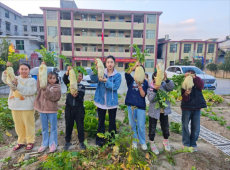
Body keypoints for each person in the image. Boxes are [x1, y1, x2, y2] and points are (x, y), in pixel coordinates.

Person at [1, 62, 37, 151]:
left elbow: (29, 92)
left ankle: (30, 141)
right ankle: (21, 141)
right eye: (22, 69)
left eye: (26, 69)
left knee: (29, 125)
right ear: (18, 70)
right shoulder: (15, 78)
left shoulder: (32, 81)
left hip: (27, 106)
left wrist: (17, 84)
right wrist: (7, 71)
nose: (23, 71)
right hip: (15, 106)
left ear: (29, 70)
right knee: (18, 125)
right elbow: (6, 80)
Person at [90, 55, 121, 147]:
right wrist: (96, 69)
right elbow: (93, 78)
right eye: (108, 62)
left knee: (112, 122)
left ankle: (112, 141)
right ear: (105, 64)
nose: (110, 64)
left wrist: (106, 81)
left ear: (114, 63)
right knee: (101, 121)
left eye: (111, 62)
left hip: (112, 103)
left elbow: (115, 87)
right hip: (101, 101)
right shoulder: (101, 72)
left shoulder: (117, 75)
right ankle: (100, 140)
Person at [34, 61, 61, 153]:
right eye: (50, 78)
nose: (52, 80)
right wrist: (42, 68)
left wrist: (45, 89)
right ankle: (44, 143)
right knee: (44, 128)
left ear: (56, 79)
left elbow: (53, 97)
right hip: (42, 110)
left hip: (52, 110)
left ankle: (53, 143)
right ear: (47, 78)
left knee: (53, 127)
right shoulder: (43, 84)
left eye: (54, 78)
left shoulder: (57, 87)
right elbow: (39, 81)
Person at [147, 71, 174, 154]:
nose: (158, 78)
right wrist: (155, 89)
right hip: (153, 112)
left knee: (165, 126)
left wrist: (166, 79)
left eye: (160, 77)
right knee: (152, 127)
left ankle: (166, 141)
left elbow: (171, 87)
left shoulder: (164, 86)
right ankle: (152, 143)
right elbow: (151, 99)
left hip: (163, 111)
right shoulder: (150, 88)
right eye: (156, 77)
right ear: (153, 79)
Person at [125, 61, 148, 150]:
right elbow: (126, 73)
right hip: (131, 106)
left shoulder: (145, 82)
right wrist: (134, 67)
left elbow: (143, 95)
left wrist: (139, 86)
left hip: (140, 106)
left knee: (141, 125)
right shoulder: (131, 80)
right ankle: (134, 141)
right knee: (132, 125)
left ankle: (142, 142)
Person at [181, 70, 206, 152]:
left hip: (196, 108)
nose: (190, 75)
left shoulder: (197, 82)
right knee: (185, 126)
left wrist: (194, 78)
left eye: (192, 73)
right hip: (186, 108)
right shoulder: (184, 83)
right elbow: (183, 98)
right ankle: (186, 143)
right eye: (188, 73)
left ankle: (193, 144)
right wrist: (186, 94)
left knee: (196, 128)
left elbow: (201, 86)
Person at [63, 66, 86, 150]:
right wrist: (67, 72)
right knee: (68, 125)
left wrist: (75, 94)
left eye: (80, 76)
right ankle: (67, 141)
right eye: (77, 75)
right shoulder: (69, 84)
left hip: (79, 109)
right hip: (69, 108)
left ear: (82, 78)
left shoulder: (82, 87)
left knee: (80, 125)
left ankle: (81, 141)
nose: (78, 77)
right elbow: (65, 79)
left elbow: (81, 97)